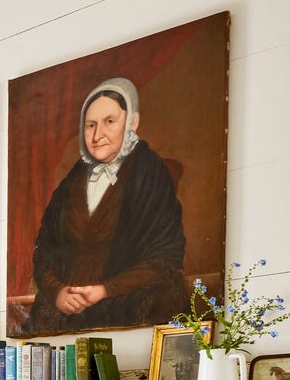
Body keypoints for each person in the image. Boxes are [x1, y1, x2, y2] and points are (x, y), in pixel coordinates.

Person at [20, 78, 190, 335]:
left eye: (109, 122)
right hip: (69, 307)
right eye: (90, 125)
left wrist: (104, 290)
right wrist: (58, 292)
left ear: (132, 122)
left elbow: (165, 259)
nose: (97, 136)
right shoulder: (71, 182)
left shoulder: (151, 173)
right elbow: (44, 249)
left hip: (131, 299)